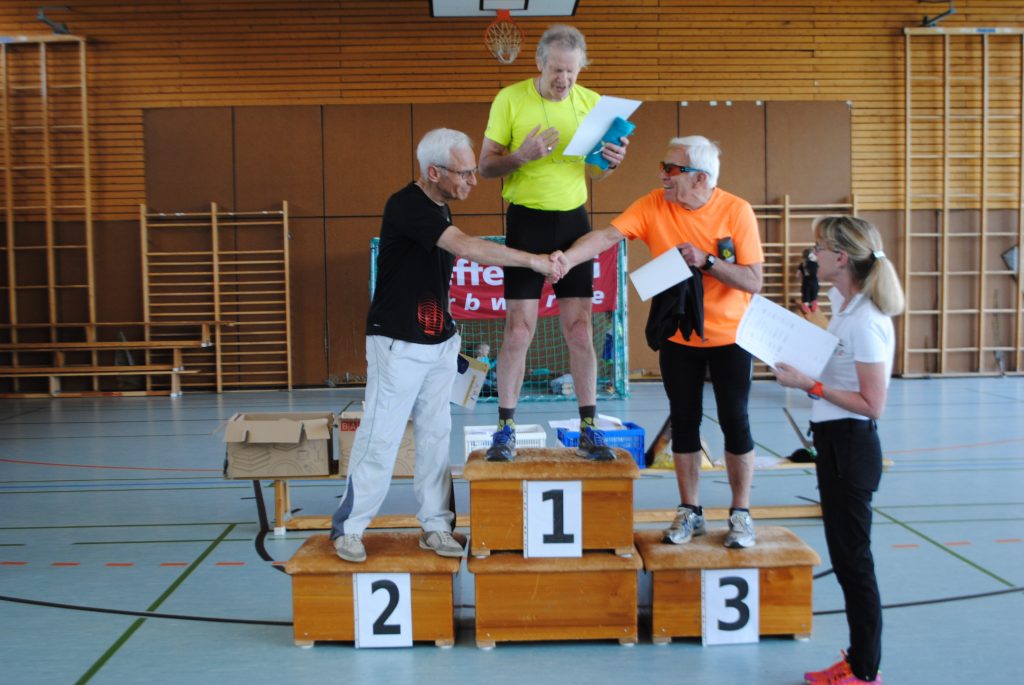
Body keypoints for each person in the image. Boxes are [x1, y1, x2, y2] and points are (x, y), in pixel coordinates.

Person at [331, 128, 564, 563]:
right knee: (381, 436)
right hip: (397, 344)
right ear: (434, 172)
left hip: (439, 343)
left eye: (474, 171)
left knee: (436, 437)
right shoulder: (406, 206)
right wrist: (534, 261)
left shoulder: (439, 207)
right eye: (464, 173)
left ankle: (436, 527)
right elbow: (467, 248)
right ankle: (350, 529)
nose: (473, 181)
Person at [558, 135, 764, 549]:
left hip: (731, 336)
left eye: (671, 169)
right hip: (678, 334)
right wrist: (564, 260)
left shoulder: (737, 210)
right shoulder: (654, 204)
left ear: (701, 178)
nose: (663, 177)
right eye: (662, 167)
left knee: (735, 420)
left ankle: (741, 512)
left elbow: (753, 280)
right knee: (683, 421)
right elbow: (606, 237)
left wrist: (707, 261)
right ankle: (690, 510)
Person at [479, 24, 630, 463]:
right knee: (519, 330)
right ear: (540, 64)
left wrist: (611, 163)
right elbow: (485, 167)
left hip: (573, 222)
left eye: (572, 72)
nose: (564, 80)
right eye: (557, 71)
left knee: (580, 329)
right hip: (526, 220)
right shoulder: (510, 99)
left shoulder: (592, 104)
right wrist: (519, 157)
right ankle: (505, 428)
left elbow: (597, 171)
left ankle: (589, 427)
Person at [773, 216, 904, 685]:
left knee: (855, 565)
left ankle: (865, 672)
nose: (814, 256)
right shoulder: (842, 305)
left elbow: (873, 404)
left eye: (820, 248)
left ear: (842, 257)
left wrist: (809, 384)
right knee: (847, 563)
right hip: (832, 442)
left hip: (852, 445)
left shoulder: (866, 321)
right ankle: (857, 660)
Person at [800, 247, 820, 313]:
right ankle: (812, 303)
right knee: (813, 294)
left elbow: (798, 275)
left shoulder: (803, 264)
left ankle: (807, 305)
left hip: (806, 283)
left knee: (806, 294)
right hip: (814, 282)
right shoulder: (816, 264)